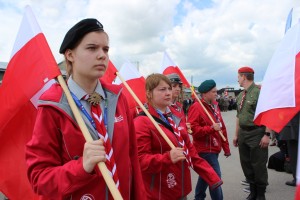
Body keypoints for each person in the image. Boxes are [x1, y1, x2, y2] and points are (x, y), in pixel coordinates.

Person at [25, 18, 145, 199]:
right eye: (92, 48)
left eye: (105, 49)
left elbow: (132, 161)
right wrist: (81, 166)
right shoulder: (52, 106)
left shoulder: (118, 98)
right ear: (70, 55)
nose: (102, 55)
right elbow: (39, 179)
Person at [134, 73, 223, 199]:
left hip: (180, 187)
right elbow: (141, 161)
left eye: (169, 88)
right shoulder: (141, 122)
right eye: (162, 89)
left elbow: (190, 151)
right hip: (159, 191)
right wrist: (167, 157)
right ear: (149, 93)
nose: (168, 92)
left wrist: (212, 177)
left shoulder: (176, 117)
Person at [188, 79, 231, 200]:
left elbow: (222, 127)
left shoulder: (215, 106)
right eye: (213, 92)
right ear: (205, 93)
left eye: (216, 91)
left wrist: (226, 147)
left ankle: (198, 197)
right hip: (205, 150)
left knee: (206, 176)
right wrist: (211, 128)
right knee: (215, 178)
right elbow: (193, 130)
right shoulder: (196, 107)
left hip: (215, 148)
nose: (216, 94)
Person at [233, 66, 270, 200]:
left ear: (244, 76)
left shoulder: (259, 92)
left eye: (238, 77)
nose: (237, 79)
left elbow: (267, 114)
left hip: (256, 133)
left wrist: (267, 135)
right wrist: (236, 134)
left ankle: (260, 195)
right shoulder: (241, 95)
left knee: (258, 165)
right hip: (243, 133)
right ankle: (253, 193)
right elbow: (238, 116)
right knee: (246, 164)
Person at [278, 112, 299, 187]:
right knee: (293, 153)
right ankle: (296, 178)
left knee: (294, 154)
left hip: (293, 125)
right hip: (293, 124)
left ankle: (297, 179)